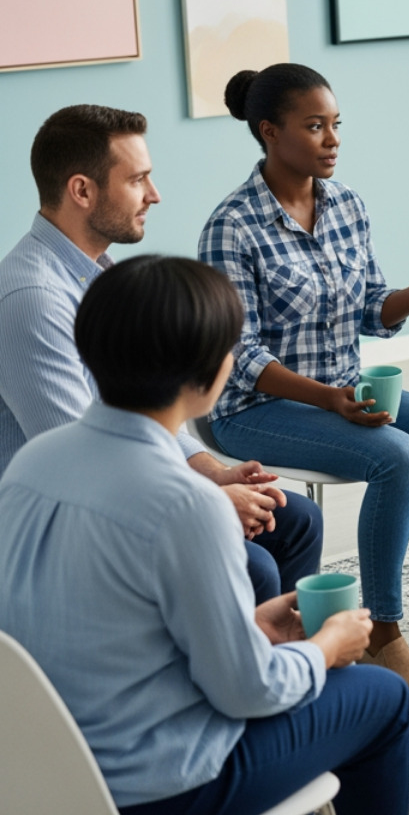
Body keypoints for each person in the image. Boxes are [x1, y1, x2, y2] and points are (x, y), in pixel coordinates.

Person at [0, 255, 409, 815]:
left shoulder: (30, 463)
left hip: (42, 770)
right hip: (158, 788)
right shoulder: (187, 505)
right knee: (384, 698)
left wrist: (251, 628)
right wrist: (326, 647)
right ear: (206, 373)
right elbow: (248, 693)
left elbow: (106, 619)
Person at [199, 63, 409, 700]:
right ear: (269, 131)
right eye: (314, 127)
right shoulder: (232, 227)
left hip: (339, 386)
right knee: (397, 457)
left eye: (336, 125)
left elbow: (370, 308)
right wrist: (329, 399)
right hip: (253, 405)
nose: (332, 139)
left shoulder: (345, 204)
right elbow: (242, 353)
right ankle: (382, 632)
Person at [0, 104, 322, 603]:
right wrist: (206, 498)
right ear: (82, 191)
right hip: (62, 521)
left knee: (297, 518)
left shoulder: (96, 274)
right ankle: (234, 673)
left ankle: (288, 665)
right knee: (251, 564)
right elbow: (85, 457)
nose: (155, 195)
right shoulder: (33, 300)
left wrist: (212, 471)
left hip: (117, 482)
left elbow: (138, 414)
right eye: (138, 180)